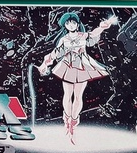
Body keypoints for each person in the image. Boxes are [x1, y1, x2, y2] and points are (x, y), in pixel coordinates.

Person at [38, 11, 118, 141]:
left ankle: (74, 121)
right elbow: (54, 53)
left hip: (81, 66)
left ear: (77, 24)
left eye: (73, 23)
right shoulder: (64, 39)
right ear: (65, 26)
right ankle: (67, 119)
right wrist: (44, 64)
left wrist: (103, 26)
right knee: (67, 95)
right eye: (68, 23)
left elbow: (94, 34)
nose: (71, 25)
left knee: (78, 96)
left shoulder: (82, 35)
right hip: (67, 67)